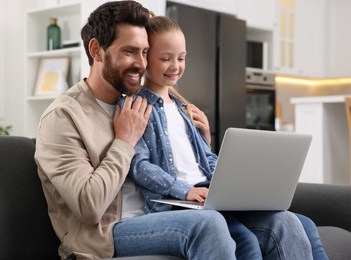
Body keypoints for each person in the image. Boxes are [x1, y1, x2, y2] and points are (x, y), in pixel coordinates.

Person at [35, 1, 313, 259]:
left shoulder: (140, 102)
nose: (142, 63)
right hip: (105, 233)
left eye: (145, 52)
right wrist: (125, 140)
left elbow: (175, 161)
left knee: (283, 221)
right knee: (209, 223)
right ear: (96, 50)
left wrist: (204, 142)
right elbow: (88, 206)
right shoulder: (63, 117)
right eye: (129, 51)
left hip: (166, 211)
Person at [120, 15, 327, 259]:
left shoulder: (185, 108)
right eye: (165, 58)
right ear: (145, 59)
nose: (175, 66)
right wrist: (184, 190)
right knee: (245, 240)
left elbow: (206, 158)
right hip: (176, 202)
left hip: (208, 194)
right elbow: (139, 166)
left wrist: (232, 180)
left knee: (301, 223)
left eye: (181, 58)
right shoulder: (136, 107)